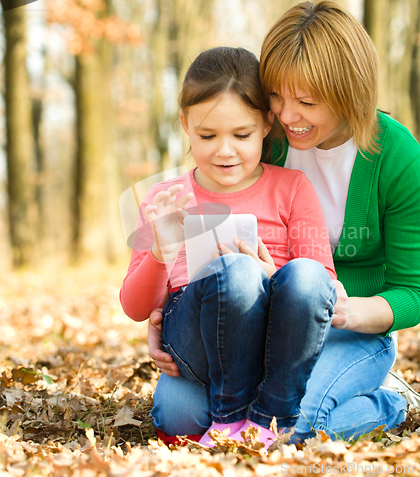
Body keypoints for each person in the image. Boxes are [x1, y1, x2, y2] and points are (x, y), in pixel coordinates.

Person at [147, 0, 420, 444]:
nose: (286, 115)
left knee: (292, 424)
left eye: (306, 101)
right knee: (181, 415)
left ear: (349, 93)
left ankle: (386, 403)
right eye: (277, 95)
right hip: (266, 328)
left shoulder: (398, 159)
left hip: (352, 330)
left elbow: (414, 295)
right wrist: (165, 323)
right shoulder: (268, 140)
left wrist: (344, 310)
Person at [120, 46, 337, 448]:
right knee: (234, 272)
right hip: (197, 344)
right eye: (207, 135)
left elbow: (320, 285)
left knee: (301, 273)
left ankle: (269, 418)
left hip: (276, 347)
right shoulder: (165, 198)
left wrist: (271, 278)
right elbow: (134, 307)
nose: (224, 150)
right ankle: (230, 420)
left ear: (267, 124)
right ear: (185, 124)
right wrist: (162, 251)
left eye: (241, 135)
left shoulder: (291, 188)